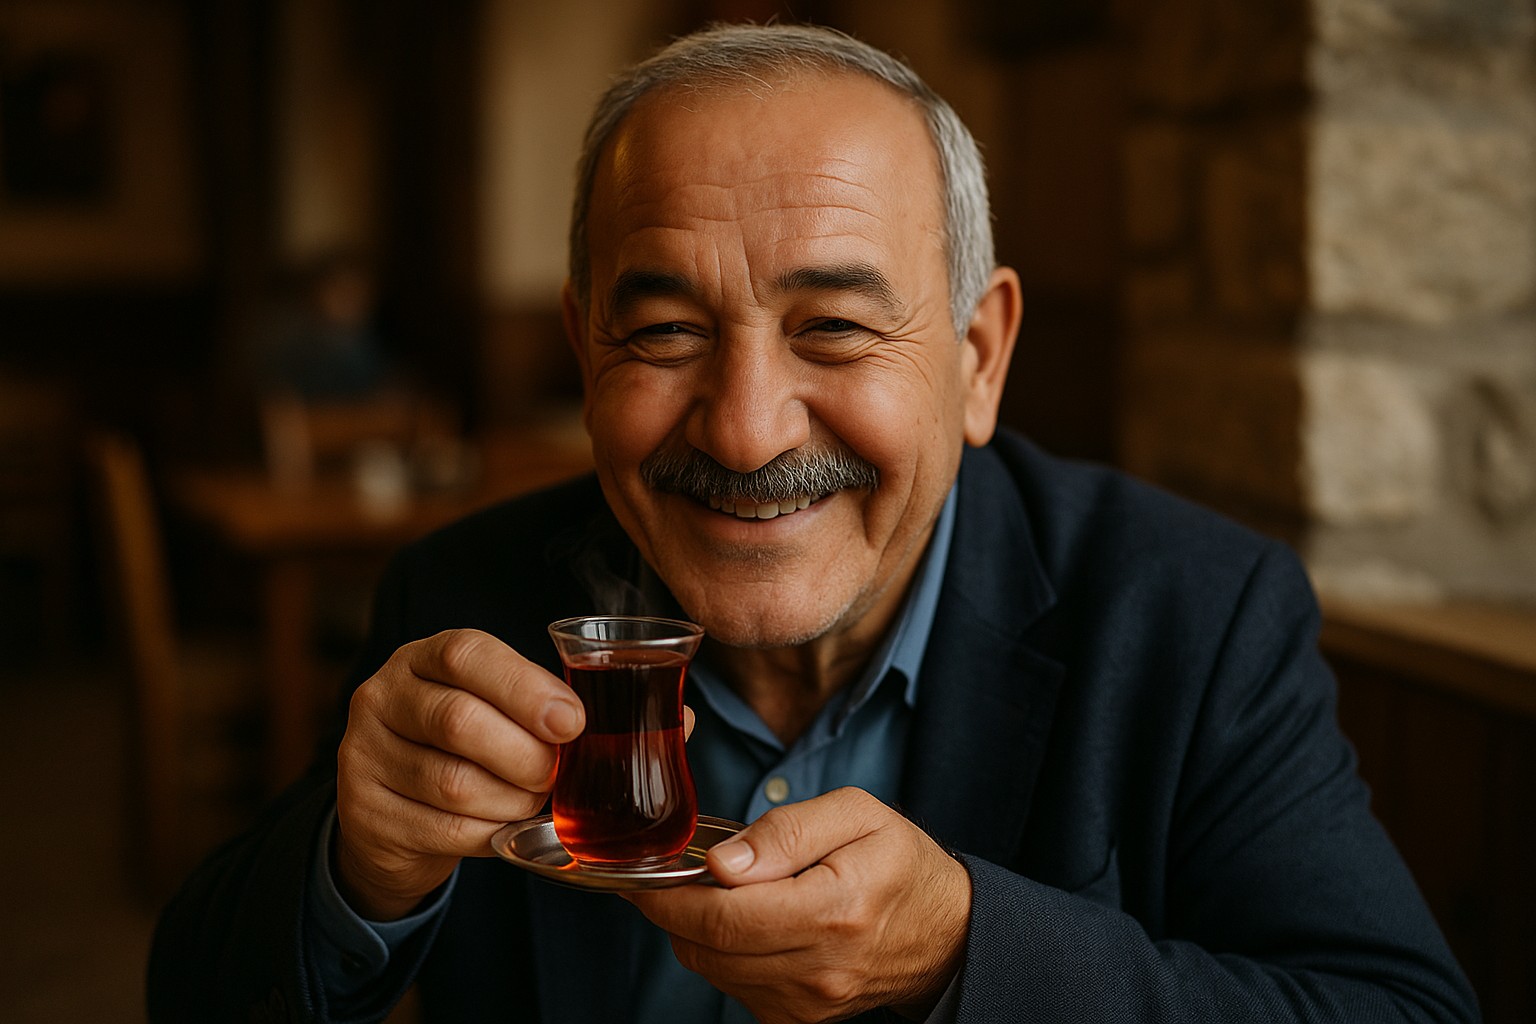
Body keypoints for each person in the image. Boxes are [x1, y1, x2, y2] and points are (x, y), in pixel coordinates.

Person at [148, 23, 1479, 1024]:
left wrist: (966, 950)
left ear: (979, 357)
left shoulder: (1194, 612)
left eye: (834, 329)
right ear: (581, 346)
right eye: (663, 333)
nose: (744, 429)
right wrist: (357, 864)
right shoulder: (471, 593)